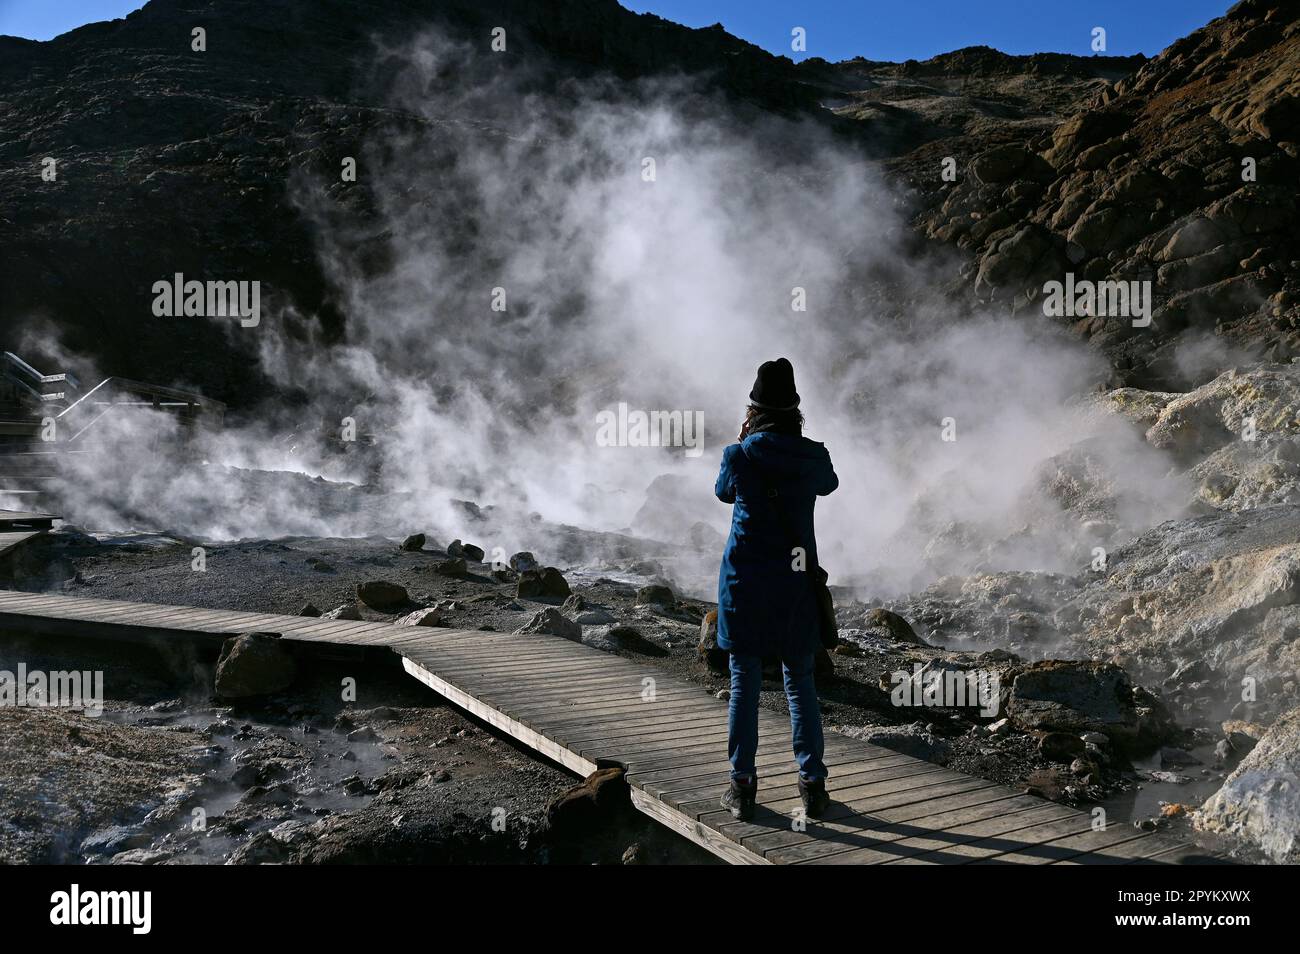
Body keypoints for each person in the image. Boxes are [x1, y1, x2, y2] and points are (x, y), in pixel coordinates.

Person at [714, 357, 839, 822]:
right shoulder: (812, 455)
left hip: (744, 585)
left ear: (754, 409)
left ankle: (743, 787)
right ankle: (813, 786)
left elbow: (723, 493)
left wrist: (745, 440)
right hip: (794, 583)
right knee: (799, 681)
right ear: (794, 409)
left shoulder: (739, 454)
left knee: (744, 683)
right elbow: (829, 485)